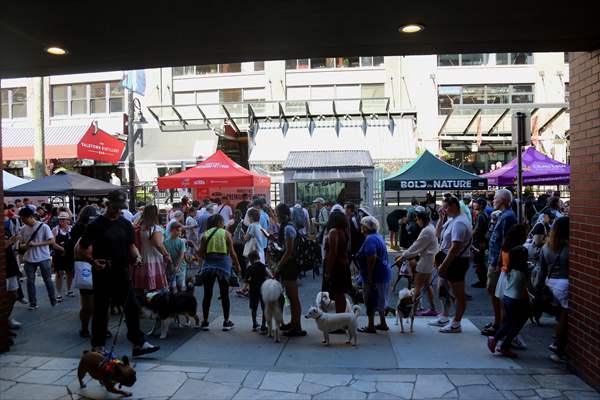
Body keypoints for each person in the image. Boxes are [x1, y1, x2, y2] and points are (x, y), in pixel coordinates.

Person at [77, 190, 160, 356]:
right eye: (115, 207)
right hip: (103, 271)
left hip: (122, 270)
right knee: (101, 309)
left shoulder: (125, 223)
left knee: (132, 307)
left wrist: (136, 257)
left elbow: (131, 245)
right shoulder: (95, 225)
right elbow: (81, 249)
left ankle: (138, 343)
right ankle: (98, 345)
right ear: (107, 205)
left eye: (120, 208)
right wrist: (93, 261)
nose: (118, 211)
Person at [197, 214, 242, 331]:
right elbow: (232, 252)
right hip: (224, 266)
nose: (223, 224)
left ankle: (205, 321)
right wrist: (238, 266)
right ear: (218, 222)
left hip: (208, 266)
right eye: (222, 221)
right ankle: (226, 322)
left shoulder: (205, 235)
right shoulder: (226, 233)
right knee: (224, 294)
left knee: (207, 294)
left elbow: (200, 253)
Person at [435, 195, 472, 333]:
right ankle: (448, 318)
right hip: (450, 260)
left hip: (456, 262)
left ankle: (456, 323)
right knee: (445, 289)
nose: (443, 210)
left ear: (453, 206)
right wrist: (441, 218)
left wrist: (443, 266)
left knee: (458, 294)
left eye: (445, 207)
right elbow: (437, 234)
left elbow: (455, 248)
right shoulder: (452, 220)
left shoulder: (459, 223)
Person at [482, 189, 517, 337]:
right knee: (494, 292)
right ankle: (499, 321)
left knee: (495, 293)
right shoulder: (504, 215)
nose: (493, 200)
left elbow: (505, 242)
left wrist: (498, 263)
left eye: (495, 198)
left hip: (497, 262)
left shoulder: (507, 217)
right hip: (495, 260)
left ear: (502, 200)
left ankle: (499, 323)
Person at [395, 206, 439, 317]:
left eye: (417, 219)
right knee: (427, 285)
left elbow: (416, 246)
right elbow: (417, 246)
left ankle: (413, 312)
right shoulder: (430, 227)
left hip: (425, 261)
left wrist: (404, 255)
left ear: (421, 219)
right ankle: (433, 308)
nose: (416, 221)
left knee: (417, 286)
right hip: (429, 259)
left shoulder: (427, 230)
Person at [488, 245, 530, 358]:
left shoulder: (510, 269)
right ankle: (504, 346)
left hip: (507, 298)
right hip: (517, 300)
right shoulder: (522, 273)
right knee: (516, 325)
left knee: (508, 322)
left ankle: (495, 339)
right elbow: (525, 288)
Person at [271, 203, 306, 337]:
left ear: (282, 214)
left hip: (290, 266)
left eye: (276, 213)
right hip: (290, 265)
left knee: (293, 298)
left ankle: (297, 327)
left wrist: (279, 265)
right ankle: (294, 323)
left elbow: (289, 251)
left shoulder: (287, 228)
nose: (275, 216)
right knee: (292, 298)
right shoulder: (288, 226)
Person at [355, 216, 391, 333]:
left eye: (362, 225)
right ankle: (383, 323)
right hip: (383, 274)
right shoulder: (377, 236)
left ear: (366, 227)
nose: (361, 227)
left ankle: (370, 325)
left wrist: (370, 277)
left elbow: (371, 257)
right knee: (380, 300)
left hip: (376, 276)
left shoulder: (370, 239)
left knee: (370, 300)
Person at [541, 217, 569, 363]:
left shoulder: (546, 246)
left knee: (560, 316)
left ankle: (557, 342)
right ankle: (557, 345)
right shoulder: (568, 248)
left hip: (551, 282)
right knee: (565, 317)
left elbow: (542, 270)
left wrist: (539, 288)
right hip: (564, 283)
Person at [18, 206, 57, 310]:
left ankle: (53, 299)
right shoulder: (22, 229)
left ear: (31, 217)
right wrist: (25, 245)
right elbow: (20, 244)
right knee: (30, 281)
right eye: (21, 219)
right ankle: (33, 303)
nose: (22, 221)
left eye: (24, 218)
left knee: (47, 280)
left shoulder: (44, 227)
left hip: (43, 257)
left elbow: (51, 241)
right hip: (29, 259)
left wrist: (36, 244)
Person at [70, 205, 98, 338]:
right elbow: (78, 251)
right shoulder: (87, 235)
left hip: (84, 269)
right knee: (93, 304)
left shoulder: (76, 228)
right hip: (90, 268)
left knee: (88, 303)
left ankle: (86, 328)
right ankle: (87, 327)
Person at [133, 205, 171, 293]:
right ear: (154, 214)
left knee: (144, 288)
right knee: (154, 288)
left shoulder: (140, 227)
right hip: (154, 259)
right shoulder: (155, 228)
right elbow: (158, 244)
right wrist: (166, 255)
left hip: (142, 257)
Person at [323, 210, 352, 313]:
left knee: (338, 295)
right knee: (341, 295)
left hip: (336, 267)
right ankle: (342, 319)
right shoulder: (344, 231)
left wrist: (327, 271)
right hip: (343, 265)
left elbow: (332, 253)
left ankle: (340, 322)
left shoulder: (333, 232)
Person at [4, 215, 22, 345]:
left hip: (10, 266)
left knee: (13, 294)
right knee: (7, 296)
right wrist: (11, 241)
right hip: (5, 269)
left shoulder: (6, 227)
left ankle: (6, 319)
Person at [245, 250, 271, 333]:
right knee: (264, 307)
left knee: (254, 307)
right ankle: (263, 325)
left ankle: (254, 323)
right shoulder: (263, 266)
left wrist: (246, 287)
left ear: (250, 259)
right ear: (258, 257)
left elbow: (247, 280)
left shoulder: (249, 268)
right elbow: (270, 276)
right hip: (263, 289)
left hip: (253, 289)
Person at [52, 211, 75, 302]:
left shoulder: (72, 229)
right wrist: (62, 249)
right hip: (59, 255)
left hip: (69, 255)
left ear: (68, 220)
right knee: (59, 274)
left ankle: (69, 290)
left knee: (70, 273)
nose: (62, 221)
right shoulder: (55, 230)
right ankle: (59, 293)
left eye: (64, 219)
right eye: (60, 219)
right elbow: (52, 243)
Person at [163, 222, 188, 293]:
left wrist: (177, 266)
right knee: (173, 287)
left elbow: (182, 255)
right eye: (177, 230)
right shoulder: (165, 242)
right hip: (170, 267)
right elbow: (166, 255)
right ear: (171, 230)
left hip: (181, 267)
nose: (179, 233)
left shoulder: (181, 241)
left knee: (181, 285)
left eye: (180, 231)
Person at [472, 198, 490, 288]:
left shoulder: (481, 215)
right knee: (480, 261)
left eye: (476, 203)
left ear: (481, 205)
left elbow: (477, 229)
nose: (474, 204)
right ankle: (483, 280)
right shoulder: (483, 214)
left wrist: (469, 235)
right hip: (481, 241)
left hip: (480, 242)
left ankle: (483, 281)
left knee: (479, 261)